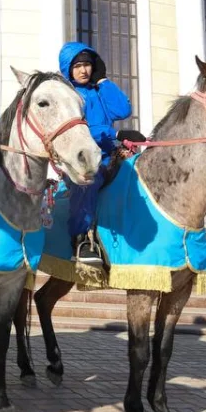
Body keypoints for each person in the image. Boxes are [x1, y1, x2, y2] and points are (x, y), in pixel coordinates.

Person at [59, 42, 141, 268]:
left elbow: (123, 110)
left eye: (87, 65)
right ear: (68, 68)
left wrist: (103, 80)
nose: (84, 70)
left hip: (109, 153)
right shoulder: (68, 95)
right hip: (80, 158)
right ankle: (81, 239)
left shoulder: (98, 90)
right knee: (88, 181)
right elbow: (79, 128)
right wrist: (114, 132)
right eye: (78, 66)